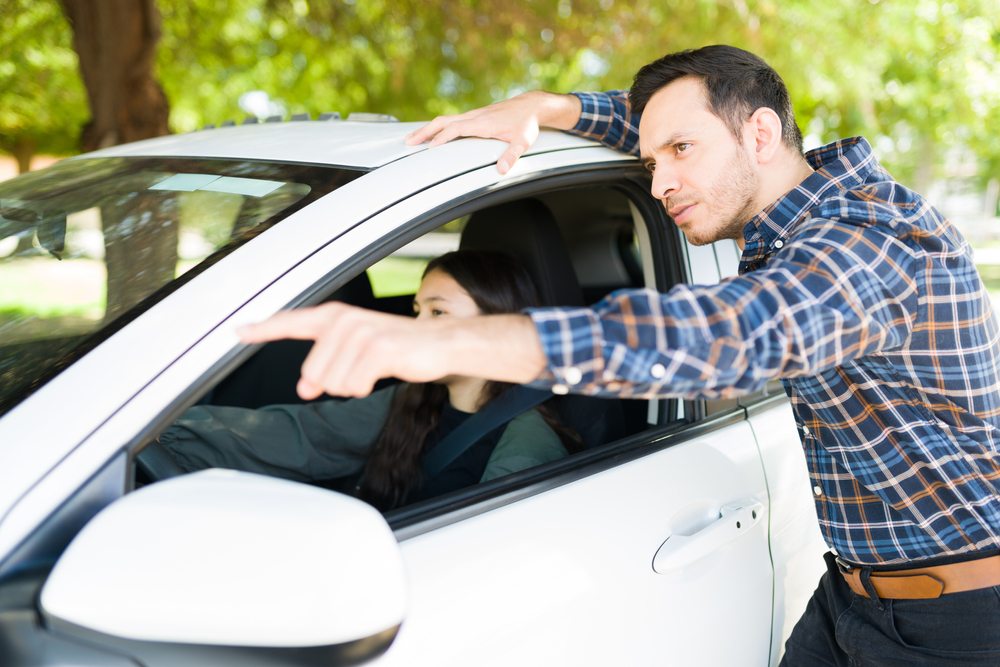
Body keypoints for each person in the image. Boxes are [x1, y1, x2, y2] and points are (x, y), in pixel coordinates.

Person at [238, 45, 1000, 665]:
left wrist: (437, 339)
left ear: (761, 135)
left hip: (956, 624)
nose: (662, 181)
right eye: (652, 161)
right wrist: (552, 109)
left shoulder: (868, 244)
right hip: (854, 596)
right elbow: (664, 120)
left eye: (680, 152)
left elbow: (718, 337)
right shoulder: (790, 209)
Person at [159, 250, 581, 511]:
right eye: (417, 310)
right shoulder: (412, 398)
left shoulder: (525, 447)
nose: (415, 328)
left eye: (437, 312)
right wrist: (160, 432)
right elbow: (305, 435)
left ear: (497, 322)